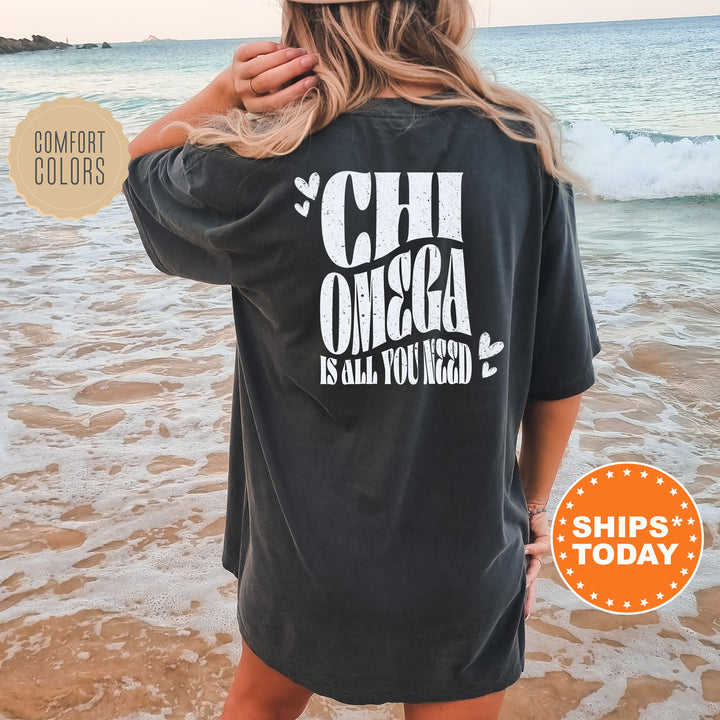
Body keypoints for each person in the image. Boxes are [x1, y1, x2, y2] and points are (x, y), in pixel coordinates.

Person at [121, 0, 601, 718]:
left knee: (259, 704)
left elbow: (133, 168)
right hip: (464, 555)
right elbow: (561, 376)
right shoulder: (520, 146)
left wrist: (226, 95)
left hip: (302, 557)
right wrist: (533, 510)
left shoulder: (261, 158)